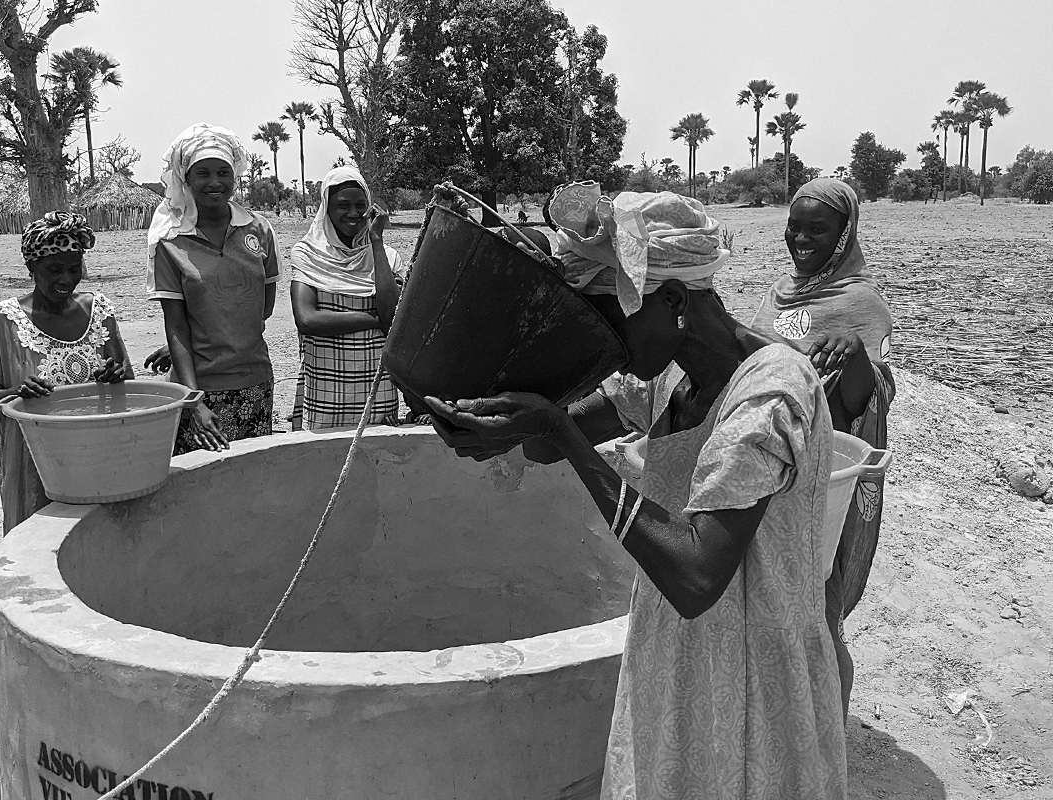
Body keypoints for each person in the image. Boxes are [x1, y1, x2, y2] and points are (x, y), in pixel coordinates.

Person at [425, 182, 846, 799]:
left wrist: (560, 432)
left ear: (672, 298)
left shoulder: (770, 394)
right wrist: (507, 411)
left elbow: (696, 575)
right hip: (678, 658)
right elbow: (542, 444)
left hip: (756, 671)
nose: (606, 341)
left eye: (610, 317)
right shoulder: (670, 377)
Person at [751, 177, 894, 717]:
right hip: (765, 465)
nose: (802, 239)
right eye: (795, 227)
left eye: (818, 229)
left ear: (844, 235)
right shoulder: (777, 293)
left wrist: (855, 355)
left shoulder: (860, 302)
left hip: (819, 479)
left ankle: (826, 729)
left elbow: (869, 398)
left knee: (816, 606)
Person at [0, 211, 131, 533]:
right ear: (31, 267)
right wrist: (17, 392)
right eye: (54, 270)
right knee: (39, 536)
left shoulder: (99, 310)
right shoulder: (4, 319)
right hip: (35, 461)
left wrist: (115, 375)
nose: (66, 280)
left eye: (74, 269)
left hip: (97, 452)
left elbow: (126, 378)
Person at [146, 123, 281, 453]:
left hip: (255, 381)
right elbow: (176, 326)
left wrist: (212, 331)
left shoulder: (259, 230)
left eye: (223, 172)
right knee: (200, 477)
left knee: (252, 474)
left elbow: (262, 308)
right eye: (203, 173)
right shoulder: (170, 242)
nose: (214, 182)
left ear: (235, 176)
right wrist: (194, 402)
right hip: (199, 389)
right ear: (186, 178)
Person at [289, 166, 405, 430]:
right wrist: (373, 319)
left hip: (377, 390)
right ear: (326, 209)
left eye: (360, 205)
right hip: (323, 388)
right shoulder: (308, 255)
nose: (353, 213)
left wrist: (376, 241)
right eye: (342, 205)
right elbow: (307, 320)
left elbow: (392, 317)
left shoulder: (386, 257)